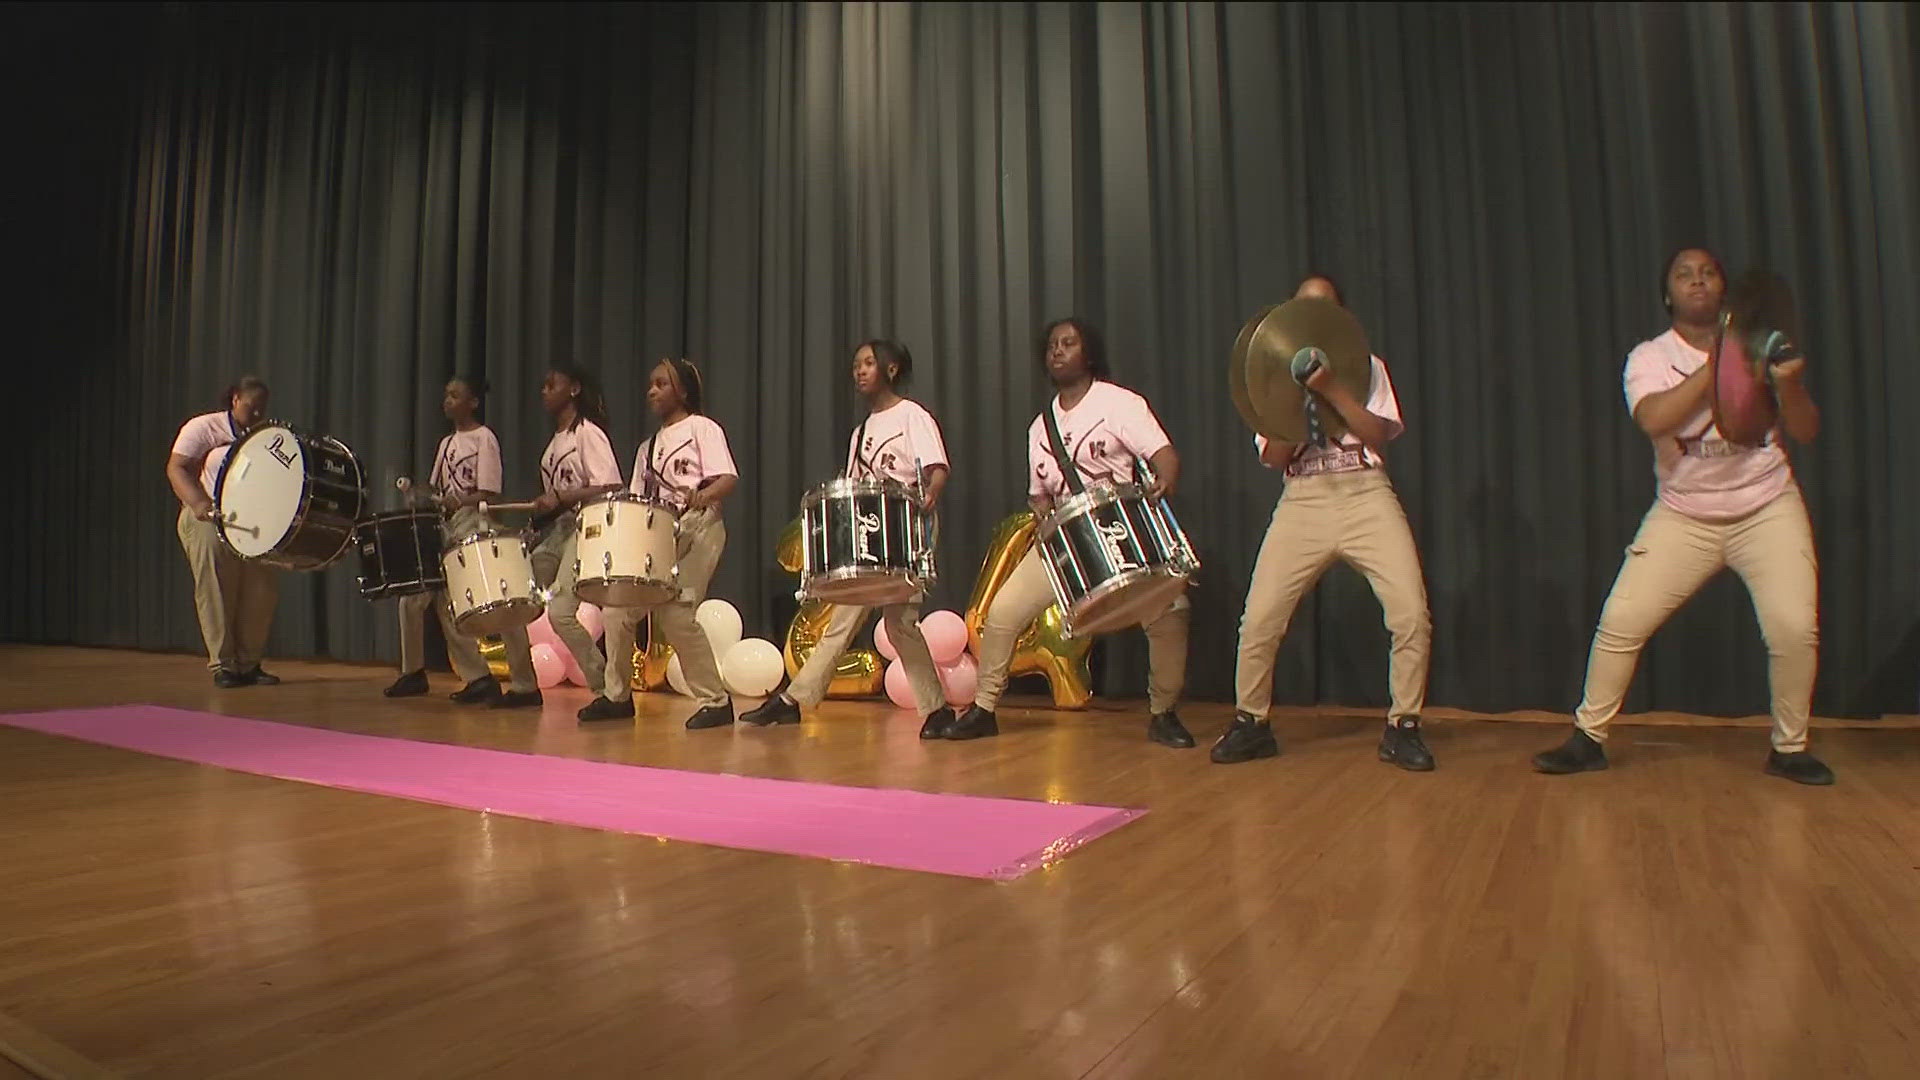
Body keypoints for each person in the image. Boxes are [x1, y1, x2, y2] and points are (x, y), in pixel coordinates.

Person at [1532, 247, 1831, 784]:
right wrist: (1721, 364)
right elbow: (1654, 419)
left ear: (1723, 290)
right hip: (1684, 515)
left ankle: (1789, 748)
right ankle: (1588, 739)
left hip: (1766, 506)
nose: (1698, 281)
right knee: (1621, 620)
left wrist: (1785, 383)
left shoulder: (1762, 346)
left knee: (1793, 629)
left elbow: (1806, 431)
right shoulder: (1649, 357)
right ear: (1668, 294)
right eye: (1684, 275)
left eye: (1709, 273)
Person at [1212, 274, 1436, 770]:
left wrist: (1332, 388)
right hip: (1303, 498)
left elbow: (1378, 434)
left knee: (1409, 614)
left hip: (1364, 492)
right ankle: (1252, 722)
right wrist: (1296, 401)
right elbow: (1273, 457)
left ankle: (1404, 726)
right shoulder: (1266, 374)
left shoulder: (1367, 366)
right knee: (1260, 619)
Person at [942, 318, 1194, 746]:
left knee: (1170, 611)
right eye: (1052, 346)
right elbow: (1038, 494)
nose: (1057, 351)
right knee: (1002, 615)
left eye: (1069, 343)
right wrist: (1041, 515)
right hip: (1064, 543)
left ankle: (1164, 713)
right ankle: (984, 709)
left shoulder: (1120, 404)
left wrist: (1165, 482)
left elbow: (1165, 455)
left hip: (1119, 530)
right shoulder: (1039, 428)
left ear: (1089, 354)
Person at [740, 340, 953, 733]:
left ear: (891, 370)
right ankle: (795, 700)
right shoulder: (861, 433)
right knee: (843, 618)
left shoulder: (912, 416)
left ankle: (936, 710)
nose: (859, 371)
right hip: (867, 534)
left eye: (869, 363)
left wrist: (930, 496)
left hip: (904, 528)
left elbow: (937, 469)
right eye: (856, 365)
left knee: (899, 624)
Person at [577, 359, 738, 729]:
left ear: (682, 390)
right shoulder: (647, 449)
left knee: (677, 614)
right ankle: (617, 696)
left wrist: (704, 495)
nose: (652, 391)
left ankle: (716, 701)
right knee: (616, 610)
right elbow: (637, 501)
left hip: (699, 529)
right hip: (657, 537)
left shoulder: (702, 428)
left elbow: (727, 478)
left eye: (661, 384)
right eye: (650, 384)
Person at [383, 376, 540, 704]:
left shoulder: (484, 439)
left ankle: (522, 682)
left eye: (455, 395)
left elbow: (488, 492)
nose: (448, 400)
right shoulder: (446, 444)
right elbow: (438, 491)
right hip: (445, 527)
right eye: (446, 395)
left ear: (473, 402)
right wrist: (418, 495)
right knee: (416, 598)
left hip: (474, 525)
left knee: (500, 601)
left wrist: (461, 503)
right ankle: (425, 673)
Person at [495, 366, 624, 709]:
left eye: (552, 385)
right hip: (558, 530)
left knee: (561, 612)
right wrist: (544, 508)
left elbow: (611, 486)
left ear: (574, 389)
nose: (544, 391)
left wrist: (562, 498)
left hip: (585, 529)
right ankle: (524, 686)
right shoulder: (555, 445)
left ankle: (604, 689)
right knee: (515, 603)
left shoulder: (588, 433)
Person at [165, 376, 281, 688]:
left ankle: (249, 663)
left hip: (252, 523)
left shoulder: (264, 435)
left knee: (261, 591)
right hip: (209, 518)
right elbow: (176, 467)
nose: (256, 414)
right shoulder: (204, 428)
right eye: (250, 406)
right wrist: (199, 503)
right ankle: (224, 665)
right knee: (217, 589)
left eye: (262, 408)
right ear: (234, 399)